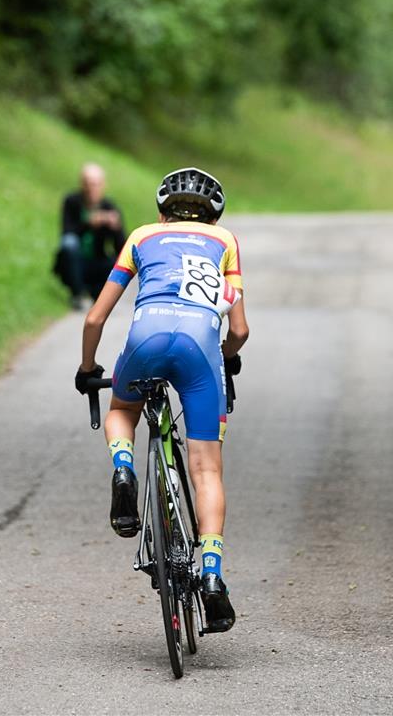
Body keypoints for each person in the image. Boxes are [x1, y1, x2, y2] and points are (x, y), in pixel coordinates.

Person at [74, 167, 249, 634]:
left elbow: (95, 318)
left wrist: (88, 369)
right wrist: (223, 357)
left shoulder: (141, 236)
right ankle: (211, 575)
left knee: (121, 411)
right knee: (207, 469)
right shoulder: (225, 242)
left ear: (161, 212)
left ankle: (124, 468)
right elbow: (239, 331)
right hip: (199, 351)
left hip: (146, 338)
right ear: (213, 217)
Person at [54, 163, 125, 310]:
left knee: (117, 261)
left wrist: (116, 228)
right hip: (74, 262)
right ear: (82, 185)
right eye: (89, 184)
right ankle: (78, 295)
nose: (93, 189)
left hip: (97, 262)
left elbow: (121, 248)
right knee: (69, 244)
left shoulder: (109, 207)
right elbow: (66, 234)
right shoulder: (72, 202)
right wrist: (89, 223)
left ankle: (98, 295)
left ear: (103, 185)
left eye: (97, 185)